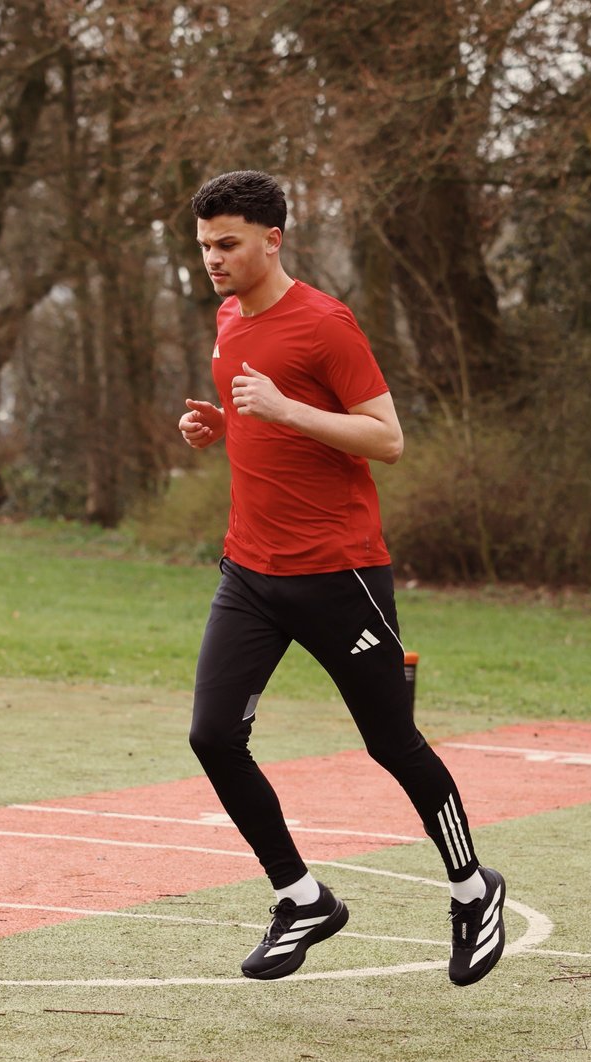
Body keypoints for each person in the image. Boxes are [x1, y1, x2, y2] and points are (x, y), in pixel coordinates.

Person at [179, 169, 505, 984]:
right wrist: (221, 427)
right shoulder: (227, 320)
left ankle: (472, 888)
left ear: (272, 239)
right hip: (249, 569)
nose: (213, 260)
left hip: (340, 574)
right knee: (213, 735)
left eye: (228, 244)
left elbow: (386, 438)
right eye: (204, 246)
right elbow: (264, 424)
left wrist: (286, 410)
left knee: (391, 742)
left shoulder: (326, 325)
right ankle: (302, 898)